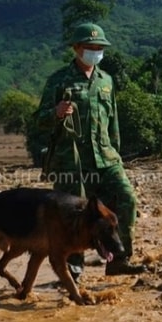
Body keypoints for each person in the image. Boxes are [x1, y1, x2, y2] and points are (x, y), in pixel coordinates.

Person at [35, 22, 146, 279]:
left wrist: (116, 152)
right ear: (76, 48)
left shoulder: (106, 80)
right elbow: (38, 120)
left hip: (106, 158)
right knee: (73, 215)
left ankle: (119, 259)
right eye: (90, 47)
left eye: (99, 47)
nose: (95, 51)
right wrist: (56, 112)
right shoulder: (58, 81)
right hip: (72, 161)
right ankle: (73, 267)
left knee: (127, 198)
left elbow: (113, 120)